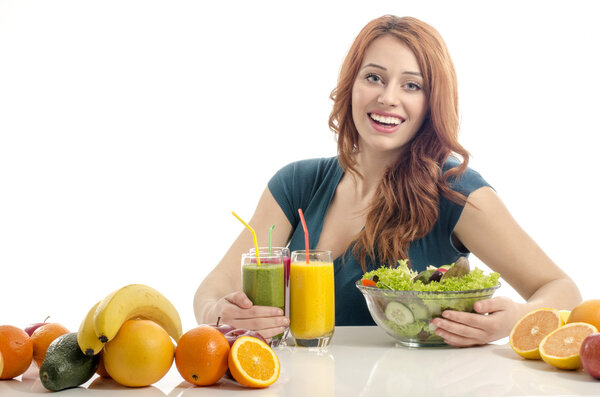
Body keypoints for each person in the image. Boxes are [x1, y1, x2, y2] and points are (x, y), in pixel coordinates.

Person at [193, 15, 581, 347]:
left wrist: (514, 320)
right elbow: (212, 289)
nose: (388, 98)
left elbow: (561, 289)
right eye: (374, 77)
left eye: (411, 85)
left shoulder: (455, 191)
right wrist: (218, 313)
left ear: (432, 102)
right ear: (351, 86)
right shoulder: (296, 183)